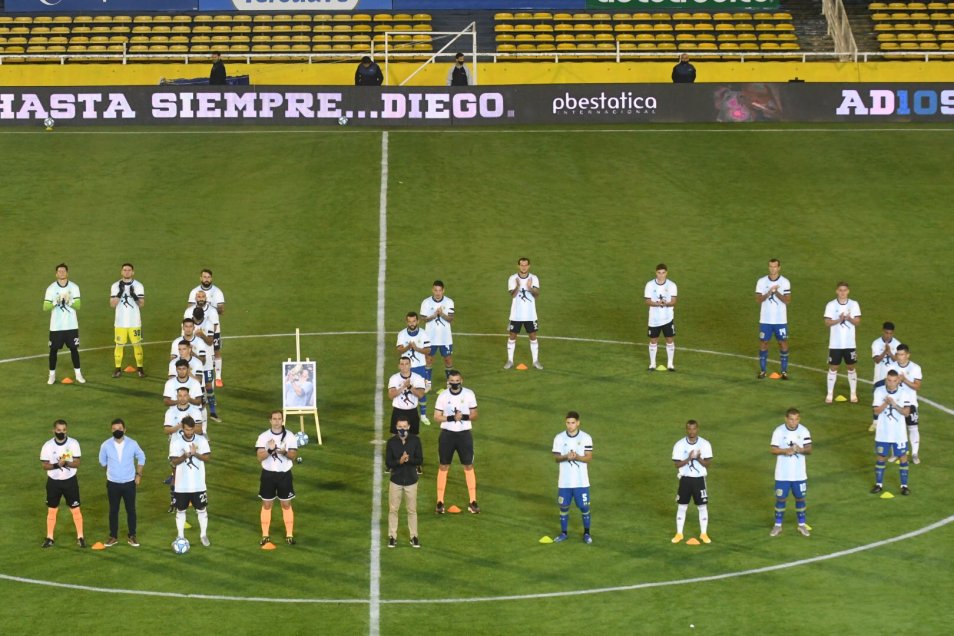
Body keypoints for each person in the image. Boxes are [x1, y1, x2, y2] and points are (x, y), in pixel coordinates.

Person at [434, 370, 479, 514]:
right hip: (447, 434)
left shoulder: (469, 394)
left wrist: (462, 417)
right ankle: (440, 501)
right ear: (448, 382)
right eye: (452, 381)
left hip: (464, 435)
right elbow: (436, 416)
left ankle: (473, 501)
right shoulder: (443, 396)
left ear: (462, 380)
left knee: (468, 465)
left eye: (457, 381)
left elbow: (475, 414)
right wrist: (452, 418)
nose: (455, 383)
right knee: (443, 466)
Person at [98, 418, 146, 547]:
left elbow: (141, 457)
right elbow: (102, 462)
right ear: (111, 430)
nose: (117, 431)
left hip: (129, 483)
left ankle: (132, 535)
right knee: (113, 510)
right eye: (114, 429)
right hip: (113, 484)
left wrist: (139, 475)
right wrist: (112, 471)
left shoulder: (132, 444)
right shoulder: (106, 445)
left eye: (119, 429)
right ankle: (113, 536)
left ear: (125, 429)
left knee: (131, 510)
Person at [40, 419, 85, 548]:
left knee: (75, 509)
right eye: (59, 430)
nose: (61, 432)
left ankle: (80, 537)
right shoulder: (47, 446)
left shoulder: (73, 444)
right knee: (52, 509)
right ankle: (49, 538)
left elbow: (77, 463)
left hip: (70, 481)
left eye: (64, 430)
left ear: (66, 430)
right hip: (53, 482)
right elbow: (44, 465)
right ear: (53, 430)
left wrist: (66, 463)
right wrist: (56, 465)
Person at [256, 411, 299, 546]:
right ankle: (265, 535)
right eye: (274, 419)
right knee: (267, 504)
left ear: (282, 420)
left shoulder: (290, 436)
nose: (277, 421)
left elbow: (293, 455)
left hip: (284, 474)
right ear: (270, 420)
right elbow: (259, 457)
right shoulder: (263, 437)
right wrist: (270, 450)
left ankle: (289, 535)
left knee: (286, 504)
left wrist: (284, 452)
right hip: (268, 474)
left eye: (279, 419)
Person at [551, 411, 593, 544]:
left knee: (584, 507)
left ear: (578, 423)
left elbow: (589, 457)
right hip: (565, 482)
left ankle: (587, 533)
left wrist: (577, 457)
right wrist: (565, 457)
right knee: (563, 507)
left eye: (573, 423)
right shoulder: (559, 438)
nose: (570, 425)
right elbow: (557, 459)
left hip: (581, 481)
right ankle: (564, 533)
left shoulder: (586, 437)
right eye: (568, 423)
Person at [769, 408, 811, 537]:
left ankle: (802, 525)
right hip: (782, 474)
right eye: (791, 419)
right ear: (786, 419)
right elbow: (773, 449)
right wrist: (785, 451)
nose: (794, 422)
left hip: (799, 474)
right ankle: (777, 525)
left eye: (796, 419)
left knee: (800, 497)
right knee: (781, 498)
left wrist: (800, 449)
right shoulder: (779, 431)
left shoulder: (804, 431)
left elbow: (809, 449)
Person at [169, 417, 212, 546]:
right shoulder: (176, 442)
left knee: (202, 509)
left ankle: (203, 535)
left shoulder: (201, 440)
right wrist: (185, 456)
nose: (189, 432)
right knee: (181, 510)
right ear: (182, 428)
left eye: (191, 429)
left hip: (198, 484)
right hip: (181, 485)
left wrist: (195, 454)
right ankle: (180, 536)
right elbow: (173, 461)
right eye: (187, 429)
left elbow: (207, 458)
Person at [871, 370, 915, 495]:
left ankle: (904, 486)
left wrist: (894, 404)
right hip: (883, 433)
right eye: (889, 380)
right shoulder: (879, 391)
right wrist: (886, 402)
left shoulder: (904, 393)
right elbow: (876, 411)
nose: (891, 383)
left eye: (894, 381)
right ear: (886, 380)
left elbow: (906, 413)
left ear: (898, 381)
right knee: (881, 457)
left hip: (899, 433)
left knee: (903, 457)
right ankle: (879, 484)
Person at [671, 419, 713, 544]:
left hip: (699, 480)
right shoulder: (679, 445)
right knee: (682, 506)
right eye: (689, 429)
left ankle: (704, 533)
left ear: (697, 429)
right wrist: (689, 458)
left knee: (702, 506)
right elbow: (677, 465)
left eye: (694, 429)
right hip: (685, 479)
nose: (691, 431)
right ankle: (679, 533)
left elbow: (708, 464)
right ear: (686, 430)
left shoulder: (705, 444)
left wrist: (698, 458)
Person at [43, 263, 84, 385]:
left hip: (71, 326)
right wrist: (56, 302)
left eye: (63, 271)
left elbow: (78, 305)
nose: (61, 273)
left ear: (67, 273)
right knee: (53, 351)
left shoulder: (74, 287)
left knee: (74, 349)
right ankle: (52, 376)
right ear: (56, 274)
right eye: (59, 271)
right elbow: (45, 307)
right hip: (56, 327)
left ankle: (78, 374)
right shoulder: (51, 289)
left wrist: (68, 300)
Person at [385, 418, 423, 548]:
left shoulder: (415, 441)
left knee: (412, 510)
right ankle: (392, 536)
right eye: (400, 426)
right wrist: (399, 461)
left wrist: (408, 459)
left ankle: (414, 536)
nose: (402, 429)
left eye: (404, 426)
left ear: (409, 426)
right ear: (396, 427)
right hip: (396, 480)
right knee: (393, 509)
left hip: (411, 481)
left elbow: (420, 460)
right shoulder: (391, 442)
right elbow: (388, 462)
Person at [823, 282, 862, 403]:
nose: (842, 292)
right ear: (836, 291)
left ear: (848, 291)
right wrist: (839, 319)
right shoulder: (831, 305)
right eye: (840, 290)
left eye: (845, 290)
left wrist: (849, 318)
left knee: (851, 368)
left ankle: (853, 394)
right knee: (833, 368)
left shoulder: (854, 304)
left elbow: (858, 322)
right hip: (835, 344)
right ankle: (830, 394)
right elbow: (827, 323)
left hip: (850, 344)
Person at [187, 269, 226, 387]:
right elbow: (189, 307)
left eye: (208, 277)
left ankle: (218, 377)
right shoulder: (194, 291)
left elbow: (222, 310)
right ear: (200, 278)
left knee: (216, 351)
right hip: (197, 328)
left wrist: (210, 306)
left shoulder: (217, 292)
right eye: (204, 277)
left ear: (211, 278)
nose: (206, 279)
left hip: (213, 328)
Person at [755, 258, 791, 379]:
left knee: (782, 343)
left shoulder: (785, 282)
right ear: (768, 267)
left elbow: (787, 301)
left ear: (779, 268)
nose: (772, 269)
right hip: (765, 320)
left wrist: (776, 293)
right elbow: (758, 300)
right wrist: (769, 292)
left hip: (780, 320)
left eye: (775, 266)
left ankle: (784, 372)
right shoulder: (761, 281)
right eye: (770, 266)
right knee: (764, 343)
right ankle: (763, 371)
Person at [504, 257, 542, 370]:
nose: (523, 267)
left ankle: (535, 361)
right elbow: (513, 294)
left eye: (525, 265)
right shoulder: (512, 278)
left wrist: (530, 287)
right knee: (512, 336)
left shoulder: (534, 278)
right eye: (521, 265)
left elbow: (536, 294)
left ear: (529, 266)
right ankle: (510, 360)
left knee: (533, 336)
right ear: (518, 266)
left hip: (530, 315)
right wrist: (518, 286)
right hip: (516, 315)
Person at [110, 263, 145, 378]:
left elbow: (141, 304)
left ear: (133, 272)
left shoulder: (138, 285)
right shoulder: (115, 286)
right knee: (119, 345)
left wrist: (133, 295)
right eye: (124, 270)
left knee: (137, 345)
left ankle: (140, 368)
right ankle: (117, 368)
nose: (127, 272)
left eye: (129, 270)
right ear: (121, 272)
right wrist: (120, 292)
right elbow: (112, 304)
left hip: (134, 321)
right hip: (120, 322)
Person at [889, 344, 923, 463]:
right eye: (898, 354)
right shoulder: (892, 367)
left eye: (902, 354)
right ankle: (895, 453)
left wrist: (904, 380)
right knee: (895, 428)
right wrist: (896, 381)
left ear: (908, 355)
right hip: (896, 403)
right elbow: (888, 384)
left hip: (911, 403)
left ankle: (914, 453)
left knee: (913, 427)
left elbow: (917, 387)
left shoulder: (915, 368)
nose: (899, 357)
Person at [396, 311, 431, 423]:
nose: (412, 323)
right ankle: (408, 415)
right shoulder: (402, 334)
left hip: (420, 366)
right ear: (407, 322)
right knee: (406, 391)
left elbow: (428, 350)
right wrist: (408, 347)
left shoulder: (423, 333)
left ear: (418, 321)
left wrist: (416, 349)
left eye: (414, 321)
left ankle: (423, 415)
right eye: (409, 321)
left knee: (421, 391)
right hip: (406, 368)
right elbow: (399, 350)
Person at [420, 280, 455, 387]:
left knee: (448, 359)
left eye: (439, 290)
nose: (437, 293)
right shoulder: (426, 302)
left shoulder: (449, 302)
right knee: (428, 359)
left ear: (443, 290)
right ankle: (428, 382)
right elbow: (423, 318)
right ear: (432, 290)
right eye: (435, 290)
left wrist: (442, 314)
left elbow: (450, 319)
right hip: (430, 337)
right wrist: (434, 316)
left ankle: (450, 382)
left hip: (445, 338)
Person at [645, 263, 678, 372]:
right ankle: (652, 364)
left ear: (666, 273)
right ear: (656, 273)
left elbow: (673, 302)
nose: (661, 275)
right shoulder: (650, 285)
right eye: (659, 273)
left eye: (663, 273)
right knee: (653, 341)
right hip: (654, 320)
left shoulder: (672, 285)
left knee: (669, 340)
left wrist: (665, 303)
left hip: (667, 318)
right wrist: (658, 304)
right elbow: (647, 301)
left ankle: (670, 364)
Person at [868, 321, 899, 431]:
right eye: (886, 333)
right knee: (877, 401)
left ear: (893, 333)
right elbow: (877, 360)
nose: (888, 335)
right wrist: (884, 352)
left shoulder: (897, 344)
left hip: (893, 379)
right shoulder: (876, 343)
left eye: (890, 333)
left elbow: (898, 360)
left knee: (894, 400)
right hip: (879, 377)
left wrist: (890, 352)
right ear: (883, 331)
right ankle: (875, 423)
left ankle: (892, 423)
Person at [388, 357, 426, 435]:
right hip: (398, 412)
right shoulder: (394, 378)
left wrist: (409, 387)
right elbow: (391, 396)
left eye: (406, 364)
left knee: (413, 439)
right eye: (402, 364)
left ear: (410, 365)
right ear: (399, 366)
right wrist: (402, 387)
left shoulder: (418, 378)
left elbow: (421, 395)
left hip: (412, 412)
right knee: (396, 439)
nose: (404, 366)